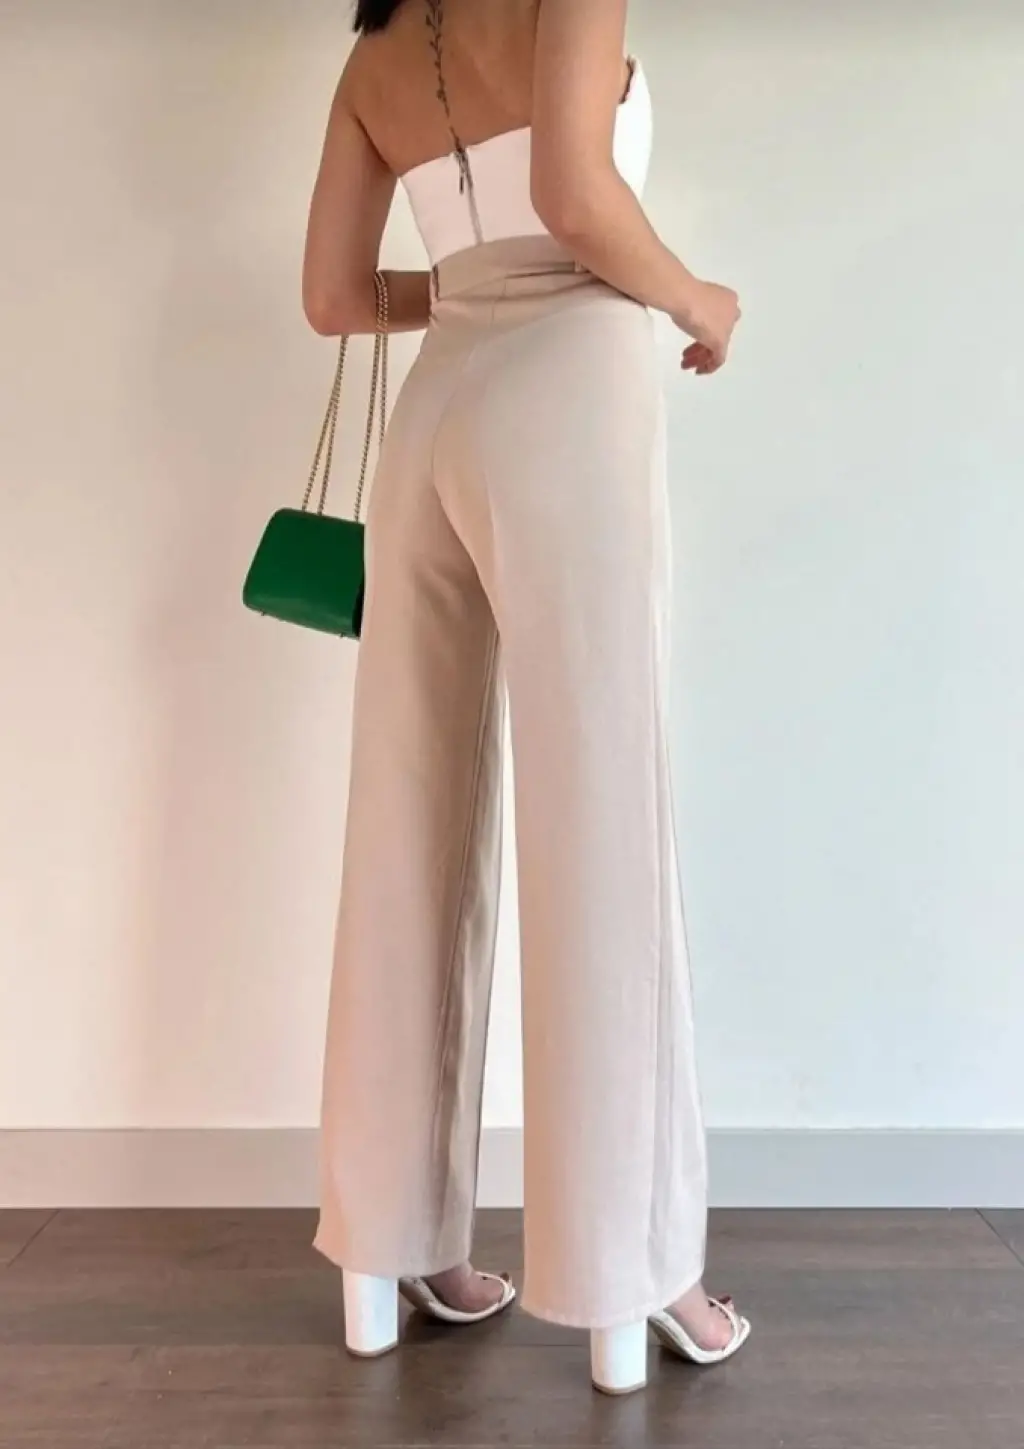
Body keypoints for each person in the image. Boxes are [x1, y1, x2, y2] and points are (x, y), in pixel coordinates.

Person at [305, 0, 747, 1394]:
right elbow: (575, 193)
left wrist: (463, 294)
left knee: (406, 833)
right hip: (570, 389)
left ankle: (385, 1257)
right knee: (605, 828)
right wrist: (699, 298)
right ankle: (636, 1278)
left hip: (432, 416)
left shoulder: (376, 50)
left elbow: (334, 298)